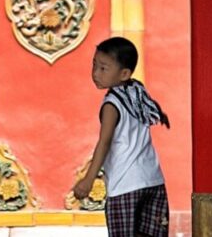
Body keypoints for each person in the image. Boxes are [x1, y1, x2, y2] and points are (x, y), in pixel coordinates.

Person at [73, 37, 171, 237]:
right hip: (153, 181)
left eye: (103, 68)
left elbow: (105, 142)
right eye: (94, 65)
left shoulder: (111, 104)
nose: (95, 73)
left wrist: (89, 179)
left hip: (125, 186)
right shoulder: (137, 91)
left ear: (124, 73)